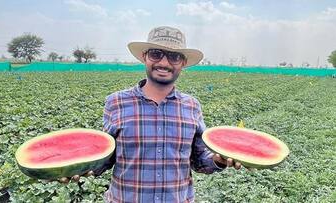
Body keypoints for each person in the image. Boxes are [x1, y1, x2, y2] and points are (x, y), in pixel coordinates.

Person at [60, 26, 243, 202]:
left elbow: (199, 160)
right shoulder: (116, 102)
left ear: (183, 63)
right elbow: (106, 158)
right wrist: (76, 166)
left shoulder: (192, 105)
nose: (164, 63)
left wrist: (218, 160)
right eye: (156, 54)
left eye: (174, 56)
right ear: (144, 57)